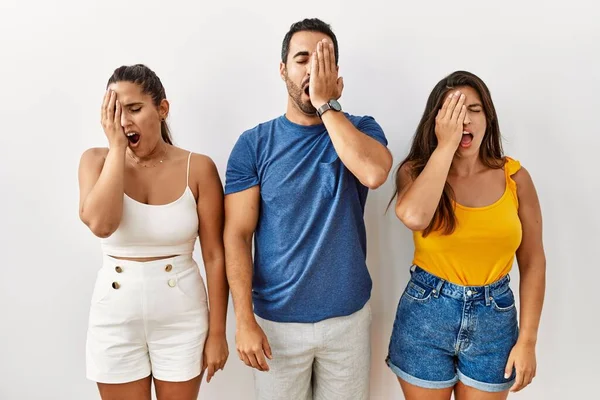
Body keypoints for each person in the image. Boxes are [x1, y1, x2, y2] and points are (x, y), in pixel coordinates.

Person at [223, 18, 392, 400]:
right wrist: (244, 320)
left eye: (323, 62)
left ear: (336, 74)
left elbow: (374, 173)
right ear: (283, 69)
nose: (312, 70)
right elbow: (236, 234)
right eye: (303, 60)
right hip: (276, 325)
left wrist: (327, 105)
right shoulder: (254, 144)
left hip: (347, 321)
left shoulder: (362, 128)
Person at [386, 70, 546, 399]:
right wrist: (445, 146)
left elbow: (532, 262)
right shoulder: (415, 172)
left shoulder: (517, 178)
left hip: (495, 319)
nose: (464, 119)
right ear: (436, 120)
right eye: (452, 111)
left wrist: (527, 339)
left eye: (473, 109)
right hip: (426, 315)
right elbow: (414, 216)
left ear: (488, 117)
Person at [78, 64, 229, 400]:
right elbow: (102, 225)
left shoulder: (198, 167)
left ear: (162, 109)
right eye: (116, 112)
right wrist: (118, 150)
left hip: (182, 319)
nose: (125, 121)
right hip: (115, 317)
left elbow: (215, 255)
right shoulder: (95, 161)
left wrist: (218, 332)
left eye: (134, 109)